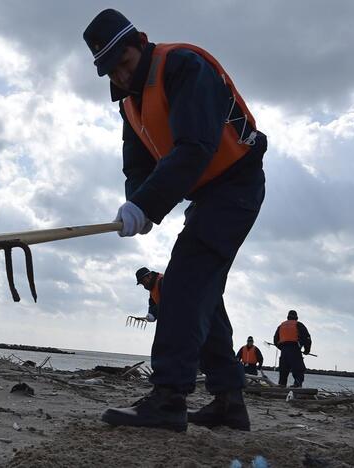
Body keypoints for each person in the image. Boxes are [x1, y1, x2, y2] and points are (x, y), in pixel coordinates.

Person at [84, 9, 266, 432]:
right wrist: (137, 205)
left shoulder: (184, 65)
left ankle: (168, 398)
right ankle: (228, 400)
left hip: (236, 185)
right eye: (111, 71)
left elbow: (195, 146)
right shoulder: (129, 102)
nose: (122, 76)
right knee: (202, 289)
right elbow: (137, 167)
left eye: (125, 63)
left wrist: (148, 205)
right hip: (206, 196)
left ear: (139, 43)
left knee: (183, 282)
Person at [273, 310, 312, 388]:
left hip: (284, 351)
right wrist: (306, 350)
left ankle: (282, 385)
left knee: (283, 370)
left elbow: (275, 340)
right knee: (298, 369)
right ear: (296, 317)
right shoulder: (299, 325)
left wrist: (281, 348)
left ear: (288, 317)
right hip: (295, 349)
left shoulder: (281, 326)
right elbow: (307, 338)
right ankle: (297, 385)